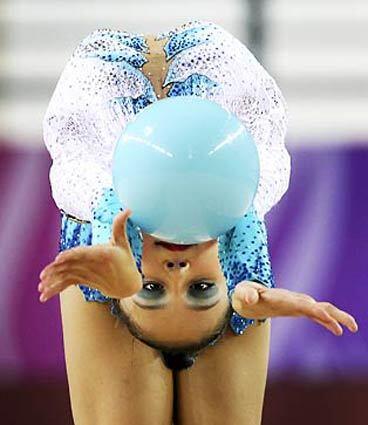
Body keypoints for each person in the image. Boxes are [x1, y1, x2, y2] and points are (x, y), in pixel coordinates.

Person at [39, 20, 358, 425]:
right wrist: (250, 290)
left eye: (154, 288)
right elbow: (245, 293)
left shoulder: (91, 183)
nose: (177, 271)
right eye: (200, 287)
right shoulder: (254, 185)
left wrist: (116, 265)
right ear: (226, 268)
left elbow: (107, 211)